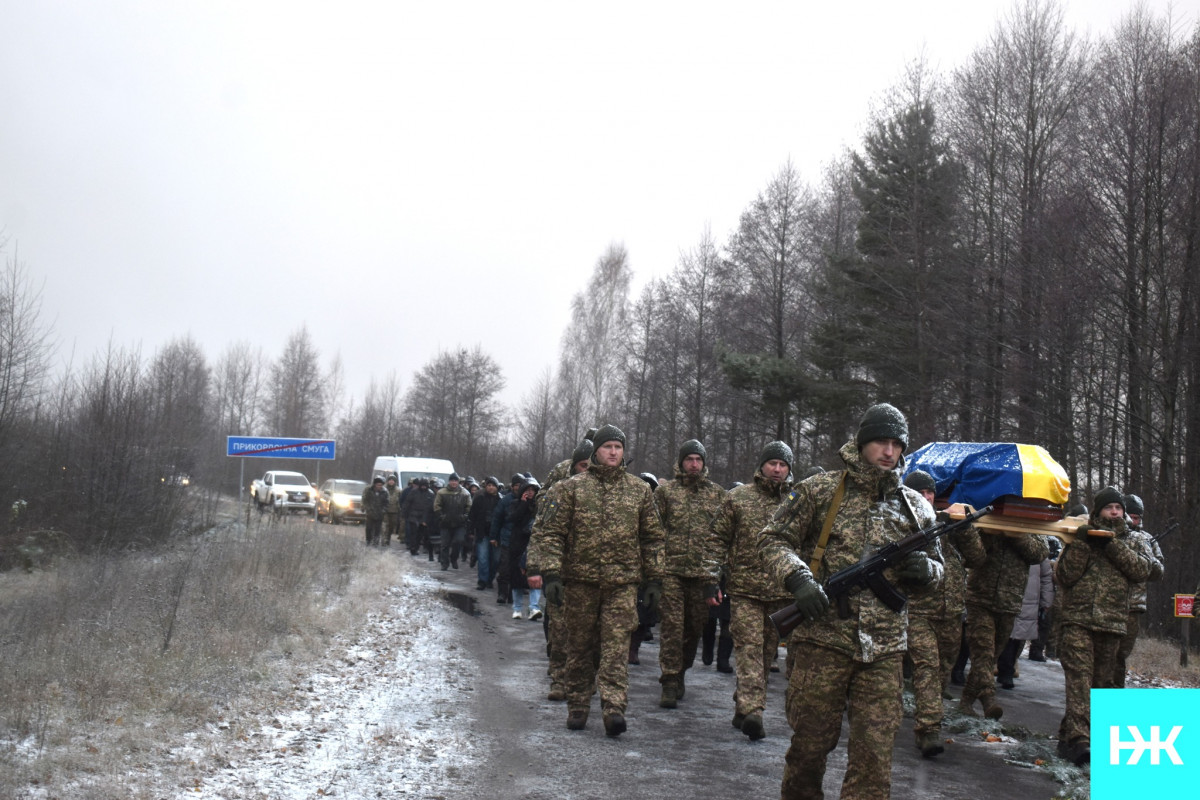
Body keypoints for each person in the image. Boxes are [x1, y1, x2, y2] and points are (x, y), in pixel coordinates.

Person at [757, 403, 943, 800]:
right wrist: (799, 578)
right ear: (861, 444)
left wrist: (926, 571)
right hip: (823, 642)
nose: (888, 451)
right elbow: (772, 539)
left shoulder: (916, 506)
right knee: (809, 747)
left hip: (885, 650)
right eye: (880, 441)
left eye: (896, 444)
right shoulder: (819, 490)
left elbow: (939, 572)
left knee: (874, 757)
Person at [530, 424, 666, 737]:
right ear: (595, 451)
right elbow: (549, 533)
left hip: (622, 584)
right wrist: (550, 572)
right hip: (580, 582)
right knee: (580, 646)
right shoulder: (571, 488)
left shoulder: (639, 491)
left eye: (618, 447)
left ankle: (614, 707)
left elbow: (653, 538)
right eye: (607, 447)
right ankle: (578, 704)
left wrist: (654, 579)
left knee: (616, 647)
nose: (613, 452)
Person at [1054, 487, 1155, 765]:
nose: (1114, 512)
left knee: (1100, 685)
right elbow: (1064, 576)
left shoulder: (1134, 540)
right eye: (1109, 507)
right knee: (1079, 679)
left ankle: (1067, 738)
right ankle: (1080, 741)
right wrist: (1084, 544)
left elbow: (1142, 571)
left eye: (1118, 508)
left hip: (1112, 624)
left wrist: (1111, 544)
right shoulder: (1080, 537)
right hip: (1078, 619)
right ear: (1097, 511)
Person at [709, 440, 795, 741]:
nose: (777, 469)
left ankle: (741, 706)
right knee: (749, 649)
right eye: (772, 463)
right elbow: (717, 538)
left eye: (783, 464)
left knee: (767, 652)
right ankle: (754, 711)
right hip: (744, 590)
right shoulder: (739, 498)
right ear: (762, 465)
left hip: (781, 593)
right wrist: (712, 578)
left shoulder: (797, 502)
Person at [954, 493, 1049, 720]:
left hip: (1010, 602)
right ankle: (988, 698)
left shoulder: (1030, 524)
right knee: (983, 653)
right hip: (980, 599)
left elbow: (1039, 553)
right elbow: (972, 556)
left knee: (991, 656)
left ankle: (966, 701)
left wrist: (1016, 535)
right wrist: (990, 532)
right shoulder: (986, 518)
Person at [654, 439, 727, 709]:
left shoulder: (717, 495)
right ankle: (669, 680)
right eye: (689, 459)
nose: (694, 464)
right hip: (671, 572)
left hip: (702, 575)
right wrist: (656, 568)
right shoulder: (666, 493)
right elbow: (653, 531)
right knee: (672, 628)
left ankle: (681, 670)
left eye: (698, 459)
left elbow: (722, 536)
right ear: (681, 462)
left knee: (694, 629)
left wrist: (716, 574)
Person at [901, 469, 966, 757]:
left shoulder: (949, 523)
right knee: (926, 667)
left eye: (930, 492)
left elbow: (977, 558)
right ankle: (929, 730)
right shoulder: (902, 522)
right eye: (920, 492)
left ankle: (928, 713)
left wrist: (965, 529)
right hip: (918, 610)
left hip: (950, 613)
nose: (927, 497)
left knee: (942, 671)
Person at [1114, 493, 1165, 687]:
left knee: (1121, 654)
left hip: (1133, 606)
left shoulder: (1147, 540)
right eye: (1131, 516)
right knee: (1107, 654)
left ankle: (1113, 695)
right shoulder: (1114, 535)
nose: (1134, 521)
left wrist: (1145, 560)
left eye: (1137, 517)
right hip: (1110, 603)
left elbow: (1159, 571)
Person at [997, 556, 1055, 688]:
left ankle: (1006, 671)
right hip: (1005, 597)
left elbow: (1046, 576)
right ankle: (1000, 671)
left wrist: (1046, 601)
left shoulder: (1037, 546)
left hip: (1027, 599)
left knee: (1015, 637)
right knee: (1004, 636)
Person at [507, 475, 543, 619]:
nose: (530, 492)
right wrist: (523, 504)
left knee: (535, 575)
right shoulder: (515, 504)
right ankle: (517, 608)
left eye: (532, 490)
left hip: (534, 545)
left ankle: (534, 607)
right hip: (517, 545)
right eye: (527, 489)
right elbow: (511, 518)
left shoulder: (539, 506)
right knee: (517, 579)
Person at [468, 476, 502, 591]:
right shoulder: (479, 499)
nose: (491, 487)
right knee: (483, 558)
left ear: (497, 487)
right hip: (482, 533)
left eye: (493, 485)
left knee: (496, 559)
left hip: (497, 534)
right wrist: (471, 530)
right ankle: (482, 580)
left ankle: (490, 579)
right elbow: (472, 515)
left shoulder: (501, 500)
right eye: (489, 485)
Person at [434, 473, 472, 570]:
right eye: (452, 480)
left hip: (460, 523)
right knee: (445, 544)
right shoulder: (441, 492)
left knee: (458, 541)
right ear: (449, 481)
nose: (453, 483)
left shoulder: (465, 493)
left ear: (458, 482)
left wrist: (465, 517)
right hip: (445, 523)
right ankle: (444, 563)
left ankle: (454, 558)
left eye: (455, 481)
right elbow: (437, 506)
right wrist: (441, 516)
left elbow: (469, 507)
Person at [361, 476, 389, 547]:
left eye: (381, 485)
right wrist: (366, 508)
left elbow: (387, 503)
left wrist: (383, 511)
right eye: (378, 485)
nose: (379, 486)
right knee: (369, 528)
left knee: (377, 530)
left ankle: (375, 543)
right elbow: (364, 499)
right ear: (375, 485)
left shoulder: (385, 492)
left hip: (379, 514)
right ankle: (368, 541)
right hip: (370, 513)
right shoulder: (368, 490)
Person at [383, 474, 402, 547]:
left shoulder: (398, 490)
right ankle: (385, 539)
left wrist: (400, 508)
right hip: (385, 510)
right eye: (390, 480)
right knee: (385, 525)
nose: (391, 482)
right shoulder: (384, 489)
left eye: (392, 480)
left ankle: (388, 537)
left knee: (392, 525)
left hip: (394, 511)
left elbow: (400, 500)